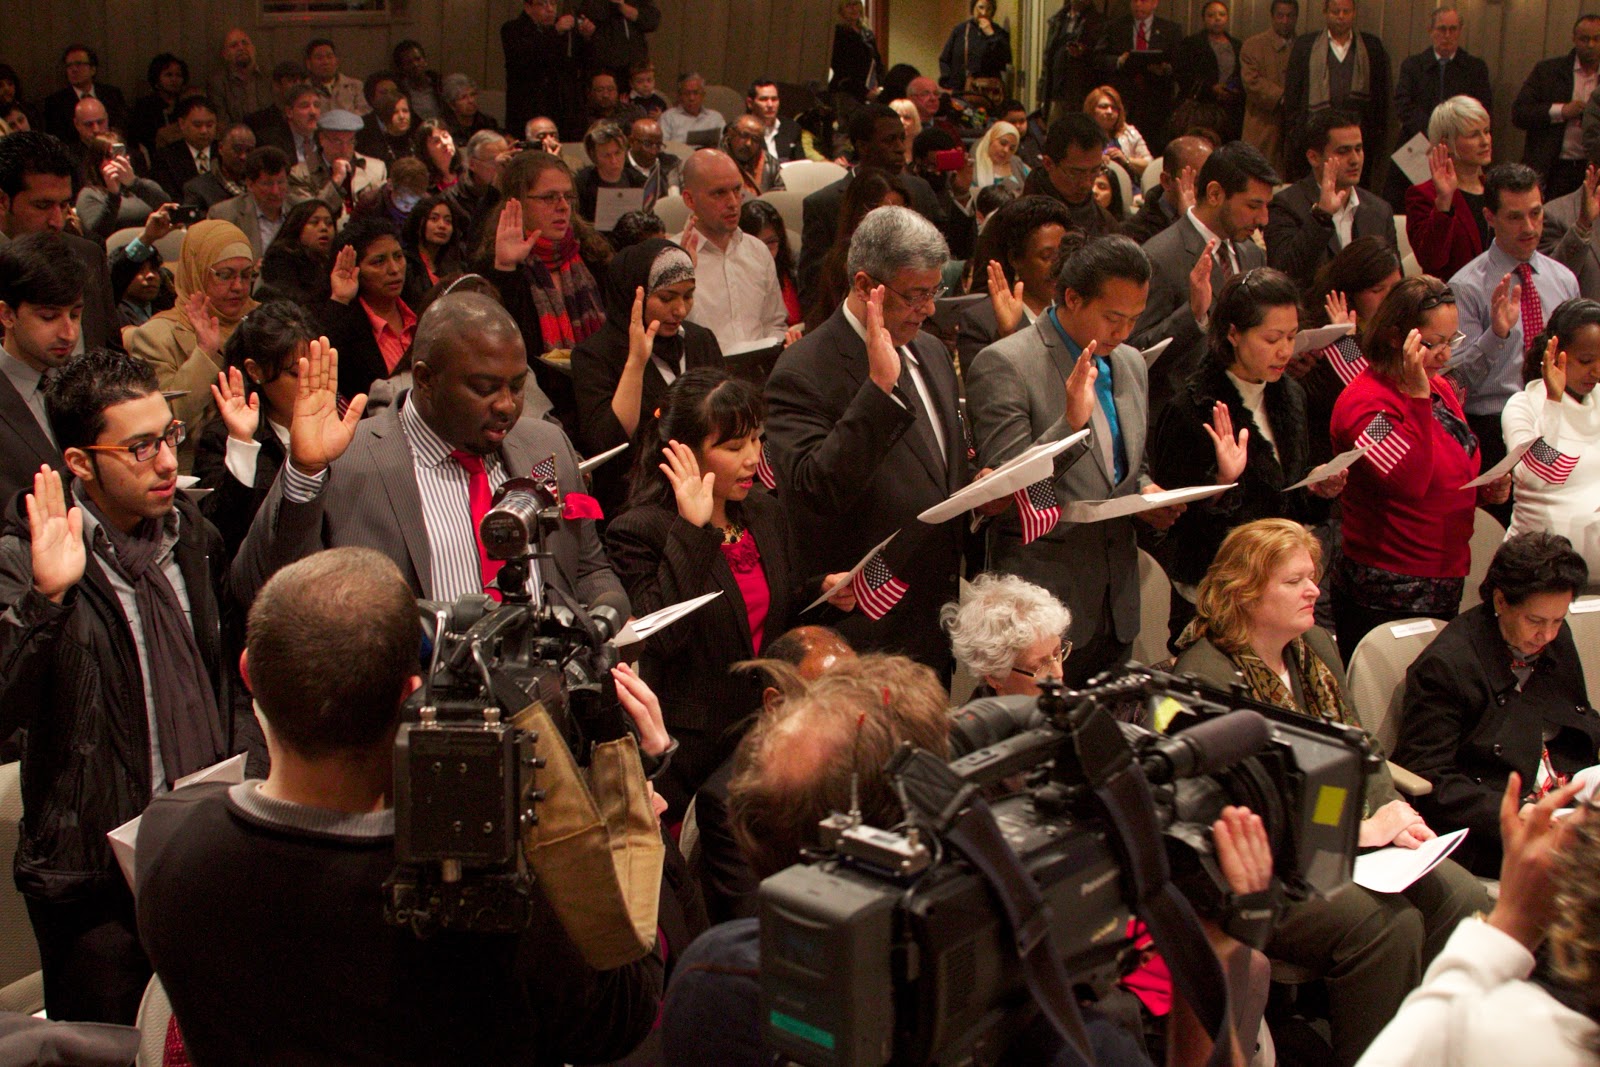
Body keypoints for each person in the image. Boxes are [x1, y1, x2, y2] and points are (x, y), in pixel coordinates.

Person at [138, 546, 662, 1065]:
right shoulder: (489, 896)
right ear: (412, 696)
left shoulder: (168, 844)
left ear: (249, 672)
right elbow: (620, 1019)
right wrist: (621, 824)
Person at [1172, 518, 1489, 1067]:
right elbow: (1242, 814)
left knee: (1461, 897)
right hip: (1265, 866)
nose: (1314, 590)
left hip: (1345, 838)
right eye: (1295, 581)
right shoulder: (1207, 678)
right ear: (1246, 591)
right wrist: (1361, 832)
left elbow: (1360, 747)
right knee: (1388, 927)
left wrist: (1390, 804)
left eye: (1312, 577)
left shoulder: (1312, 645)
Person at [1, 349, 256, 1023]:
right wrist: (46, 599)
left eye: (168, 437)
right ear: (80, 462)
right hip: (93, 879)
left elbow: (228, 674)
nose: (168, 462)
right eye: (139, 448)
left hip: (202, 849)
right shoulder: (26, 554)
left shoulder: (192, 535)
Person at [230, 291, 627, 615]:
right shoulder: (348, 458)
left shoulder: (546, 445)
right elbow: (262, 594)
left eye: (517, 385)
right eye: (485, 387)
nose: (507, 405)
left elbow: (587, 567)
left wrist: (607, 614)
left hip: (540, 703)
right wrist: (303, 471)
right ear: (425, 378)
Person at [606, 367, 856, 812]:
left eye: (757, 439)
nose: (753, 458)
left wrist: (822, 591)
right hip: (695, 754)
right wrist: (691, 529)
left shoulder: (763, 511)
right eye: (733, 446)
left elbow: (778, 615)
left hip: (771, 732)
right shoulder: (639, 531)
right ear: (681, 452)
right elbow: (657, 639)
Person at [966, 233, 1185, 684]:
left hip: (1116, 590)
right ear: (1072, 297)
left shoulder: (1130, 363)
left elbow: (1128, 463)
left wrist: (1147, 492)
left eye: (1134, 319)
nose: (1123, 333)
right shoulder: (1005, 362)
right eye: (1112, 318)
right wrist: (1068, 424)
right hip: (1042, 598)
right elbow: (1008, 489)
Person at [765, 207, 971, 678]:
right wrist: (877, 391)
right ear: (863, 286)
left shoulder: (932, 349)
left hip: (935, 611)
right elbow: (813, 492)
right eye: (916, 294)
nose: (931, 308)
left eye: (934, 291)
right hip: (866, 629)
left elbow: (939, 472)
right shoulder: (802, 370)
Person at [1357, 774, 1600, 1067]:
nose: (1575, 821)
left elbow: (1410, 1049)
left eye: (1590, 812)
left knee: (1417, 915)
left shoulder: (1519, 1040)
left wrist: (1513, 921)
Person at [1391, 532, 1598, 876]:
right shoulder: (1448, 665)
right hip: (1494, 826)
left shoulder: (1554, 638)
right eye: (1535, 621)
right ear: (1501, 601)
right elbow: (1430, 777)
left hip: (1566, 803)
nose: (1547, 635)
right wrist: (1514, 811)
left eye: (1558, 621)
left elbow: (1577, 716)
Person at [1151, 269, 1341, 640]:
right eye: (1272, 338)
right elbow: (1172, 529)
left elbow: (1288, 501)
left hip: (1281, 590)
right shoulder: (1191, 407)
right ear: (1233, 334)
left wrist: (1317, 491)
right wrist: (1221, 483)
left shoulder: (1291, 395)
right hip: (1219, 596)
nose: (1285, 350)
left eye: (1291, 336)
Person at [1328, 276, 1509, 659]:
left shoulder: (1437, 386)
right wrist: (1416, 399)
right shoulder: (1365, 404)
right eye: (1433, 343)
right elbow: (1409, 481)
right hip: (1386, 590)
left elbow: (1455, 463)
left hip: (1444, 575)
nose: (1445, 355)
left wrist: (1483, 491)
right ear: (1397, 337)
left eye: (1451, 340)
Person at [1130, 140, 1276, 422]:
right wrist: (1193, 315)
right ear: (1215, 194)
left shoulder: (1252, 254)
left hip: (1246, 416)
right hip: (1185, 423)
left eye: (1267, 206)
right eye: (1253, 205)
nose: (1264, 218)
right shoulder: (1158, 256)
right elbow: (1134, 355)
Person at [572, 238, 722, 511]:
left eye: (688, 295)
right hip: (636, 502)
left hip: (706, 491)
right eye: (666, 298)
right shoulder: (594, 355)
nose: (680, 310)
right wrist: (636, 363)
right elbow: (607, 445)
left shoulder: (700, 340)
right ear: (633, 295)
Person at [1449, 163, 1580, 476]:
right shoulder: (1465, 287)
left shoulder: (1563, 280)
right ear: (1490, 218)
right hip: (1494, 424)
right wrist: (1496, 335)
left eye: (1535, 213)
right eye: (1515, 217)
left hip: (1559, 413)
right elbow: (1455, 384)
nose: (1530, 228)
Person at [478, 151, 610, 432]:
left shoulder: (593, 255)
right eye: (549, 197)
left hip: (597, 399)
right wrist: (505, 267)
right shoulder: (494, 267)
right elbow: (504, 348)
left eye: (567, 197)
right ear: (518, 204)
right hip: (535, 413)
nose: (562, 207)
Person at [127, 220, 259, 471]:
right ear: (195, 272)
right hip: (196, 474)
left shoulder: (262, 322)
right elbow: (164, 421)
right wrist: (205, 353)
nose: (239, 286)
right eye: (225, 275)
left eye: (247, 275)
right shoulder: (155, 336)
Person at [192, 300, 315, 557]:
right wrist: (242, 442)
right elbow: (220, 534)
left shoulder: (333, 422)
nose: (309, 383)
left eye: (314, 370)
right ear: (255, 371)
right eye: (294, 373)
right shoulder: (222, 438)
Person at [796, 104, 946, 304]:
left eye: (902, 138)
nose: (900, 148)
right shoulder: (824, 204)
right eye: (889, 140)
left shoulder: (921, 190)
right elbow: (813, 290)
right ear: (862, 146)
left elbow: (946, 258)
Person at [0, 131, 120, 353]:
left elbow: (111, 351)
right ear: (3, 201)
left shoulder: (87, 254)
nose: (57, 221)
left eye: (64, 205)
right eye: (42, 206)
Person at [1505, 301, 1600, 575]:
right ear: (1555, 352)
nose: (1596, 371)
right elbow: (1535, 474)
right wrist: (1554, 402)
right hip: (1538, 573)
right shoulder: (1523, 405)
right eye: (1586, 361)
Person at [1296, 234, 1403, 464]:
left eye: (1395, 287)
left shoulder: (1400, 324)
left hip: (1392, 432)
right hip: (1340, 450)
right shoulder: (1317, 334)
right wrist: (1344, 342)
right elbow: (1364, 397)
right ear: (1351, 291)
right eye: (1377, 290)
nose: (1389, 298)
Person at [1265, 108, 1395, 290]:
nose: (1355, 160)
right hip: (1313, 315)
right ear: (1314, 157)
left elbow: (1395, 282)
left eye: (1358, 149)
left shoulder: (1379, 211)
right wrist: (1322, 215)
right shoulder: (1286, 205)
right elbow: (1285, 273)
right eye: (1343, 151)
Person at [674, 150, 787, 350]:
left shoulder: (758, 251)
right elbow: (672, 334)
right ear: (690, 200)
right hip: (701, 376)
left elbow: (774, 324)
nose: (733, 203)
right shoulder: (672, 257)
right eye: (719, 193)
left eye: (737, 190)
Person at [0, 233, 77, 499]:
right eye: (49, 317)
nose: (69, 333)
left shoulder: (87, 382)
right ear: (7, 315)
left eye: (75, 315)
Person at [1390, 6, 1493, 202]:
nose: (1447, 35)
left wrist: (1452, 136)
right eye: (1442, 29)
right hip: (1417, 143)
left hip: (1461, 146)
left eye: (1453, 29)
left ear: (1460, 31)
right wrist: (1434, 134)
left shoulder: (1475, 68)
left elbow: (1483, 110)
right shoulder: (1413, 65)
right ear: (1431, 31)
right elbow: (1403, 104)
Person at [956, 193, 1073, 365]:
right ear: (1015, 259)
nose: (1059, 266)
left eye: (1064, 254)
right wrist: (1006, 333)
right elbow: (986, 386)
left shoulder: (1074, 311)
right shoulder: (981, 322)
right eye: (1047, 257)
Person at [1281, 0, 1390, 185]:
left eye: (1346, 11)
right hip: (1315, 134)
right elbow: (1293, 92)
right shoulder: (1306, 46)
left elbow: (1381, 95)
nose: (1341, 16)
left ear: (1354, 13)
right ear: (1325, 12)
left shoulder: (1371, 47)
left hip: (1358, 134)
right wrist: (1295, 129)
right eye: (1335, 11)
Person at [316, 216, 416, 399]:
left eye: (398, 257)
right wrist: (340, 298)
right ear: (355, 269)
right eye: (379, 261)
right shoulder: (344, 325)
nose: (394, 269)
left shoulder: (421, 313)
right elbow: (323, 366)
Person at [804, 167, 909, 331]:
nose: (897, 224)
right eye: (886, 215)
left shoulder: (911, 258)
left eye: (902, 214)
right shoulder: (842, 264)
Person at [1405, 95, 1493, 281]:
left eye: (1486, 131)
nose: (1485, 141)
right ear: (1446, 143)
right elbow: (1431, 260)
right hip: (1451, 300)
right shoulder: (1424, 195)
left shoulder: (1497, 188)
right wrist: (1444, 202)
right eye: (1474, 135)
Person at [1514, 15, 1600, 202]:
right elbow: (1519, 113)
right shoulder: (1548, 72)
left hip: (1592, 169)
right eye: (1585, 39)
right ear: (1574, 39)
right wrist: (1561, 111)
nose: (1591, 45)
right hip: (1553, 169)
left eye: (1597, 39)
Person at [943, 572, 1071, 698]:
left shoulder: (1081, 709)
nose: (1059, 673)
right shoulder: (975, 719)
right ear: (994, 678)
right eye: (1038, 666)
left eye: (1057, 653)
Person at [1091, 0, 1180, 157]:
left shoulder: (1170, 29)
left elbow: (1180, 65)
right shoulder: (1115, 27)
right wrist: (1119, 61)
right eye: (1135, 1)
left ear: (1154, 3)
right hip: (1124, 99)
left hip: (1156, 103)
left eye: (1144, 1)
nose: (1138, 5)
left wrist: (1165, 69)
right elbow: (1097, 59)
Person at [1022, 113, 1121, 237]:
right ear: (1048, 164)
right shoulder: (1018, 221)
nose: (1087, 184)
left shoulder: (1106, 224)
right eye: (1076, 173)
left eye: (1095, 171)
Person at [501, 0, 587, 142]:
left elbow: (577, 62)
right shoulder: (512, 29)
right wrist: (555, 31)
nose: (550, 10)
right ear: (528, 7)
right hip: (529, 105)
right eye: (543, 4)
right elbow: (527, 59)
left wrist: (586, 37)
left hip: (560, 105)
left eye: (553, 4)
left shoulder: (564, 30)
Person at [290, 108, 388, 219]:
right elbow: (309, 217)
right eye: (337, 141)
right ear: (322, 139)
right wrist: (336, 181)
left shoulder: (376, 169)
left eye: (350, 141)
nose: (344, 149)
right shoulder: (300, 174)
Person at [74, 136, 172, 246]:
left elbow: (169, 209)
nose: (115, 161)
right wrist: (113, 195)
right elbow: (97, 234)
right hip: (116, 252)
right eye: (108, 157)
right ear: (97, 163)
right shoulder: (89, 194)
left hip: (157, 247)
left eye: (119, 154)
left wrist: (134, 183)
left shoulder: (143, 186)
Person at [1240, 0, 1298, 173]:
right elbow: (1252, 81)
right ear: (1272, 16)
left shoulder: (1304, 46)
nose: (1285, 21)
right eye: (1280, 15)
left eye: (1290, 16)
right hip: (1262, 124)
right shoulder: (1253, 45)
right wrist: (1282, 97)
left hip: (1292, 127)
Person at [1172, 1, 1244, 142]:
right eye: (1211, 15)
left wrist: (1234, 91)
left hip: (1229, 110)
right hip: (1201, 108)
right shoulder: (1192, 43)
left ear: (1227, 18)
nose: (1217, 19)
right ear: (1204, 19)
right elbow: (1182, 74)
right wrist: (1211, 88)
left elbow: (1241, 74)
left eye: (1221, 15)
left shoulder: (1237, 45)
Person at [1122, 134, 1213, 244]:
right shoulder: (1136, 234)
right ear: (1166, 181)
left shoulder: (1218, 218)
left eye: (1212, 183)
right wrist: (1188, 223)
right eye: (1197, 183)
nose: (1208, 193)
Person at [207, 145, 290, 261]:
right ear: (250, 184)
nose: (275, 192)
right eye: (267, 184)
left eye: (281, 182)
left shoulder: (301, 209)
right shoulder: (224, 215)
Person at [41, 45, 128, 145]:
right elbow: (57, 139)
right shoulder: (55, 102)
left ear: (93, 69)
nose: (73, 70)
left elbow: (122, 128)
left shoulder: (112, 94)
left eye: (78, 64)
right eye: (69, 66)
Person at [257, 199, 335, 307]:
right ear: (298, 227)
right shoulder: (280, 260)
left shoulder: (337, 259)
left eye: (329, 223)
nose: (324, 228)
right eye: (314, 222)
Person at [1040, 0, 1104, 126]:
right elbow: (1048, 59)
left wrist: (1083, 53)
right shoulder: (1058, 19)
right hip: (1056, 94)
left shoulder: (1098, 22)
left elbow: (1101, 60)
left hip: (1082, 96)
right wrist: (1042, 94)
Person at [739, 199, 800, 329]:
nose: (764, 250)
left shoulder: (796, 269)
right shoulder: (734, 278)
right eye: (756, 243)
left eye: (771, 242)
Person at [444, 130, 508, 252]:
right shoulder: (450, 200)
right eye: (495, 162)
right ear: (472, 164)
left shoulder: (513, 193)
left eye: (505, 160)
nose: (502, 168)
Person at [575, 120, 644, 228]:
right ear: (594, 156)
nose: (614, 161)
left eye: (617, 153)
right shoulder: (581, 183)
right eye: (606, 155)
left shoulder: (637, 180)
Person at [150, 96, 218, 204]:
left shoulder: (224, 152)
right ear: (182, 124)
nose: (204, 131)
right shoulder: (166, 157)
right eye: (197, 125)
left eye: (209, 125)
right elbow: (167, 198)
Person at [401, 192, 466, 302]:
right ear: (418, 223)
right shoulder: (406, 264)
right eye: (434, 219)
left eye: (448, 221)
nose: (442, 226)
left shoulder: (456, 265)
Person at [578, 0, 660, 83]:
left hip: (635, 65)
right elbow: (582, 20)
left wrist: (625, 8)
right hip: (604, 66)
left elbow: (653, 21)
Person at [181, 121, 255, 213]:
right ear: (221, 148)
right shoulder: (198, 189)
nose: (243, 156)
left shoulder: (261, 186)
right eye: (238, 149)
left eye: (249, 151)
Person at [939, 0, 1012, 92]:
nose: (984, 13)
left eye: (989, 9)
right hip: (961, 90)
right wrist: (948, 82)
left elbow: (1004, 60)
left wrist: (991, 35)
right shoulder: (961, 30)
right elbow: (945, 59)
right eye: (980, 7)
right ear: (973, 8)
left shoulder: (999, 33)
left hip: (988, 92)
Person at [204, 29, 272, 127]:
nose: (241, 48)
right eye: (234, 45)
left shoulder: (268, 76)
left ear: (253, 48)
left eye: (245, 43)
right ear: (225, 54)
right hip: (238, 137)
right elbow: (221, 121)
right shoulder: (217, 83)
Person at [127, 53, 189, 160]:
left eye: (178, 75)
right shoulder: (145, 106)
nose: (174, 79)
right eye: (168, 75)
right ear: (157, 78)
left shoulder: (187, 105)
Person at [1084, 84, 1152, 179]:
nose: (1109, 111)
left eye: (1114, 108)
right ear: (1091, 110)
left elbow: (1149, 164)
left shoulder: (1129, 132)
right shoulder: (1082, 135)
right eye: (1104, 106)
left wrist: (1126, 159)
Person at [829, 0, 885, 102]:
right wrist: (864, 92)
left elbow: (877, 62)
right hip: (847, 92)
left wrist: (880, 84)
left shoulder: (867, 33)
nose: (854, 9)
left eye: (856, 4)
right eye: (848, 5)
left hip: (870, 89)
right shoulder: (838, 34)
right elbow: (842, 69)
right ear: (840, 10)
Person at [110, 244, 172, 336]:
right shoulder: (113, 317)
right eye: (140, 270)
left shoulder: (168, 311)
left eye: (154, 269)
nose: (151, 275)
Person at [723, 115, 785, 199]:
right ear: (731, 133)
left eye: (755, 139)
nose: (748, 143)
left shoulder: (771, 164)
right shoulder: (715, 161)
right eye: (744, 136)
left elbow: (780, 197)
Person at [626, 115, 680, 209]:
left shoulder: (668, 164)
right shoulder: (619, 165)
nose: (654, 151)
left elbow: (674, 203)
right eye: (647, 144)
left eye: (658, 145)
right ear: (631, 141)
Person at [304, 39, 368, 117]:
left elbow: (365, 112)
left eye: (329, 57)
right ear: (308, 64)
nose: (325, 62)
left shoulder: (355, 85)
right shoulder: (303, 89)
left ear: (337, 61)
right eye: (319, 58)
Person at [660, 73, 724, 146]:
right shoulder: (668, 117)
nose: (691, 98)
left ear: (703, 95)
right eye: (687, 93)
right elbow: (662, 147)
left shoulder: (715, 118)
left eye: (696, 93)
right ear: (680, 96)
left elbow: (724, 146)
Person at [357, 92, 415, 167]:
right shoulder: (374, 147)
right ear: (385, 115)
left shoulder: (416, 141)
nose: (402, 116)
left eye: (405, 111)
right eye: (395, 112)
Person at [746, 80, 798, 162]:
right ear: (750, 103)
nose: (770, 105)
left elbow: (801, 161)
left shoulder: (791, 128)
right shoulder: (740, 130)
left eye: (774, 99)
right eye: (763, 99)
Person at [392, 40, 444, 122]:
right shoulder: (401, 92)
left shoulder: (439, 85)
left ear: (425, 61)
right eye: (409, 62)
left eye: (418, 59)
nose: (415, 64)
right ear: (402, 68)